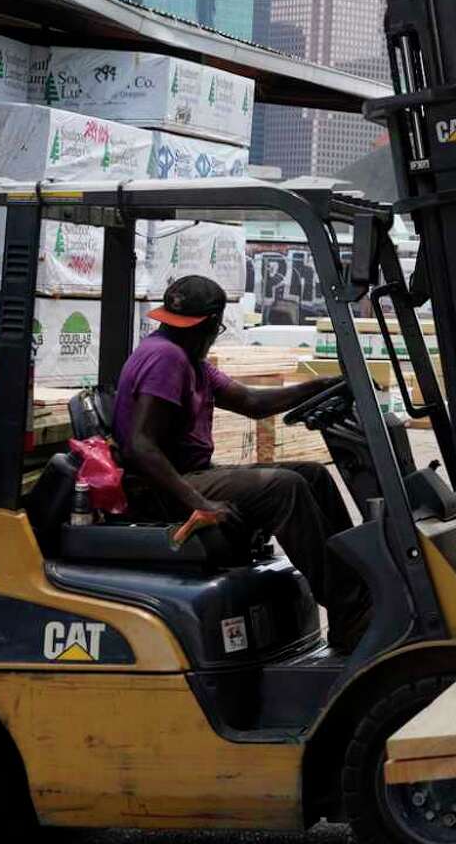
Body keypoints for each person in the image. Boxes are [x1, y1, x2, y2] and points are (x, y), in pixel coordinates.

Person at [112, 274, 372, 649]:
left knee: (312, 475)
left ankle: (362, 591)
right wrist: (199, 503)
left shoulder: (187, 356)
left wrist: (322, 385)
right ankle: (352, 613)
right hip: (164, 486)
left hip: (189, 474)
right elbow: (140, 446)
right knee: (285, 488)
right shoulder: (166, 357)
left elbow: (251, 402)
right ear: (214, 325)